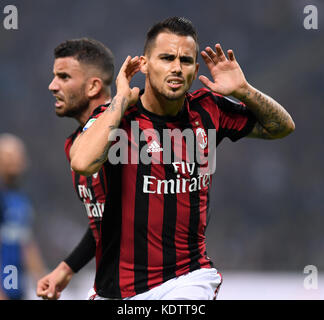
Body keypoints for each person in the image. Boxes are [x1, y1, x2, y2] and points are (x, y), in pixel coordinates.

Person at [70, 17, 295, 300]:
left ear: (195, 69)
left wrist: (244, 91)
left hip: (187, 280)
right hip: (118, 289)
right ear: (145, 65)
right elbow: (81, 162)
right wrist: (119, 101)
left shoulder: (209, 109)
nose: (177, 67)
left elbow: (282, 127)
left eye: (185, 61)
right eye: (166, 58)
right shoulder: (118, 117)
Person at [36, 38, 115, 300]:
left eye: (64, 76)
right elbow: (105, 222)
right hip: (112, 282)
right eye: (54, 76)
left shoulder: (130, 131)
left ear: (93, 86)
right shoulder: (75, 144)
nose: (52, 86)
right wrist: (67, 267)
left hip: (156, 284)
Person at [0, 133, 47, 300]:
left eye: (19, 155)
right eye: (9, 155)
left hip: (16, 288)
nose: (16, 160)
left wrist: (44, 281)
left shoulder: (22, 200)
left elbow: (27, 244)